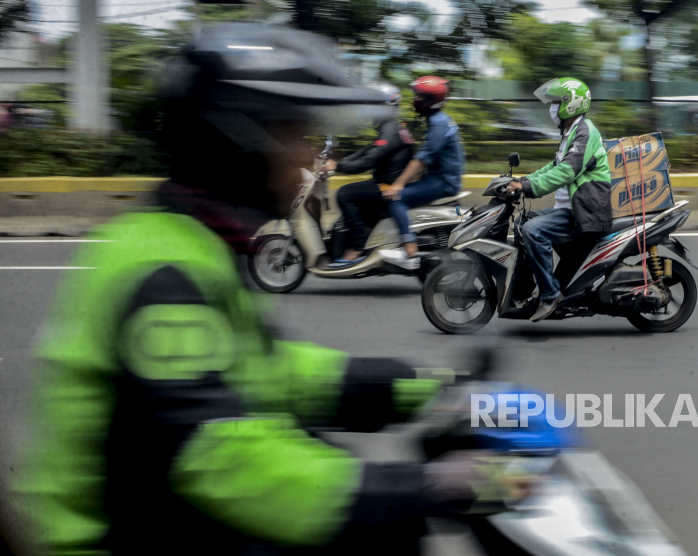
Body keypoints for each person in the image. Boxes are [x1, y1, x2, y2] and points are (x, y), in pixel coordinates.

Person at [14, 24, 519, 556]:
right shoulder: (165, 272)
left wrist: (430, 386)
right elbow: (217, 453)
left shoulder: (192, 241)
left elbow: (272, 371)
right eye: (293, 134)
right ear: (240, 140)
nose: (305, 156)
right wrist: (425, 488)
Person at [506, 77, 612, 322]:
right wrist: (524, 180)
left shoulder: (586, 133)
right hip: (569, 208)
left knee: (533, 230)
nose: (551, 107)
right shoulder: (571, 133)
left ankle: (550, 294)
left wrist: (527, 186)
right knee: (522, 223)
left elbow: (567, 171)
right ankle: (526, 290)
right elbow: (552, 167)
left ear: (571, 104)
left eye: (555, 102)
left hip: (585, 212)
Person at [317, 83, 414, 268]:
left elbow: (367, 161)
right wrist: (337, 162)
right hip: (385, 182)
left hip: (388, 186)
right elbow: (367, 150)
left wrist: (338, 166)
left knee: (345, 194)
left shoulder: (391, 130)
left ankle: (357, 246)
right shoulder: (391, 127)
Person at [378, 76, 466, 271]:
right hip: (437, 178)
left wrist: (398, 184)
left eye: (417, 96)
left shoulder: (439, 123)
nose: (413, 100)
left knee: (396, 198)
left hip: (442, 182)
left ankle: (409, 251)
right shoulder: (437, 120)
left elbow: (422, 159)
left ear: (429, 100)